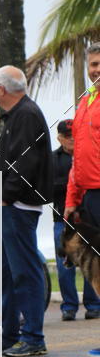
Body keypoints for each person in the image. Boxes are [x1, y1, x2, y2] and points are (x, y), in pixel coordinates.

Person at [0, 66, 53, 357]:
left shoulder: (25, 115)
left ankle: (33, 337)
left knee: (25, 272)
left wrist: (5, 196)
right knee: (8, 274)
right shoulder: (18, 115)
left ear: (1, 90)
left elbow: (26, 162)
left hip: (17, 206)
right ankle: (9, 335)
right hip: (10, 205)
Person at [64, 43, 100, 357]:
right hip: (89, 197)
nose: (96, 70)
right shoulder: (86, 102)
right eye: (92, 65)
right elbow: (78, 156)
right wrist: (72, 198)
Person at [53, 119, 100, 321]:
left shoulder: (87, 156)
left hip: (87, 217)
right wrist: (73, 186)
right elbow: (50, 187)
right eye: (69, 137)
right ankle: (69, 306)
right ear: (60, 138)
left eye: (75, 135)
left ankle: (93, 305)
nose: (73, 140)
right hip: (63, 219)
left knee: (93, 263)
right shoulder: (53, 159)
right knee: (65, 265)